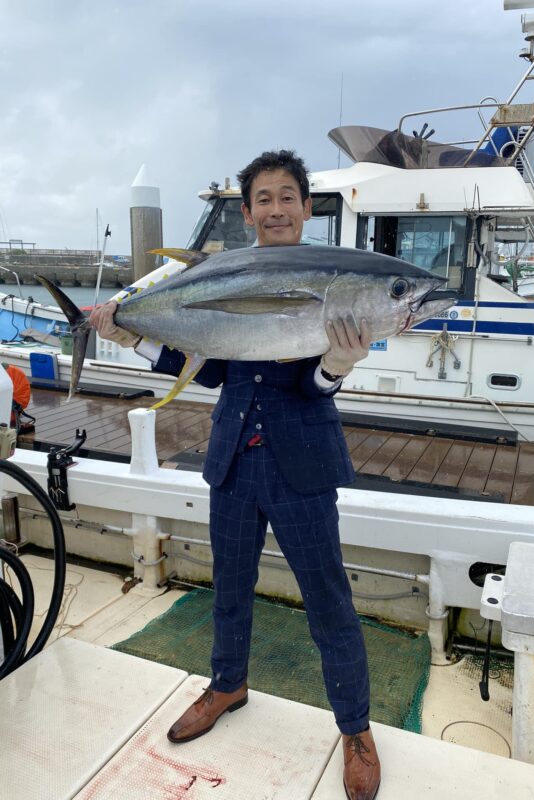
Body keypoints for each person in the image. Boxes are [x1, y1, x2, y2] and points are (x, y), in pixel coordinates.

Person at [90, 150, 381, 800]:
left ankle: (356, 729)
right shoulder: (230, 273)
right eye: (264, 199)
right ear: (247, 212)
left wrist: (338, 363)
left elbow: (314, 383)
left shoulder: (331, 279)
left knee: (328, 600)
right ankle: (228, 683)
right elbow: (217, 367)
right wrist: (129, 336)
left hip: (302, 465)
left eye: (288, 197)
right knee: (230, 587)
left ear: (307, 208)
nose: (276, 209)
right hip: (233, 460)